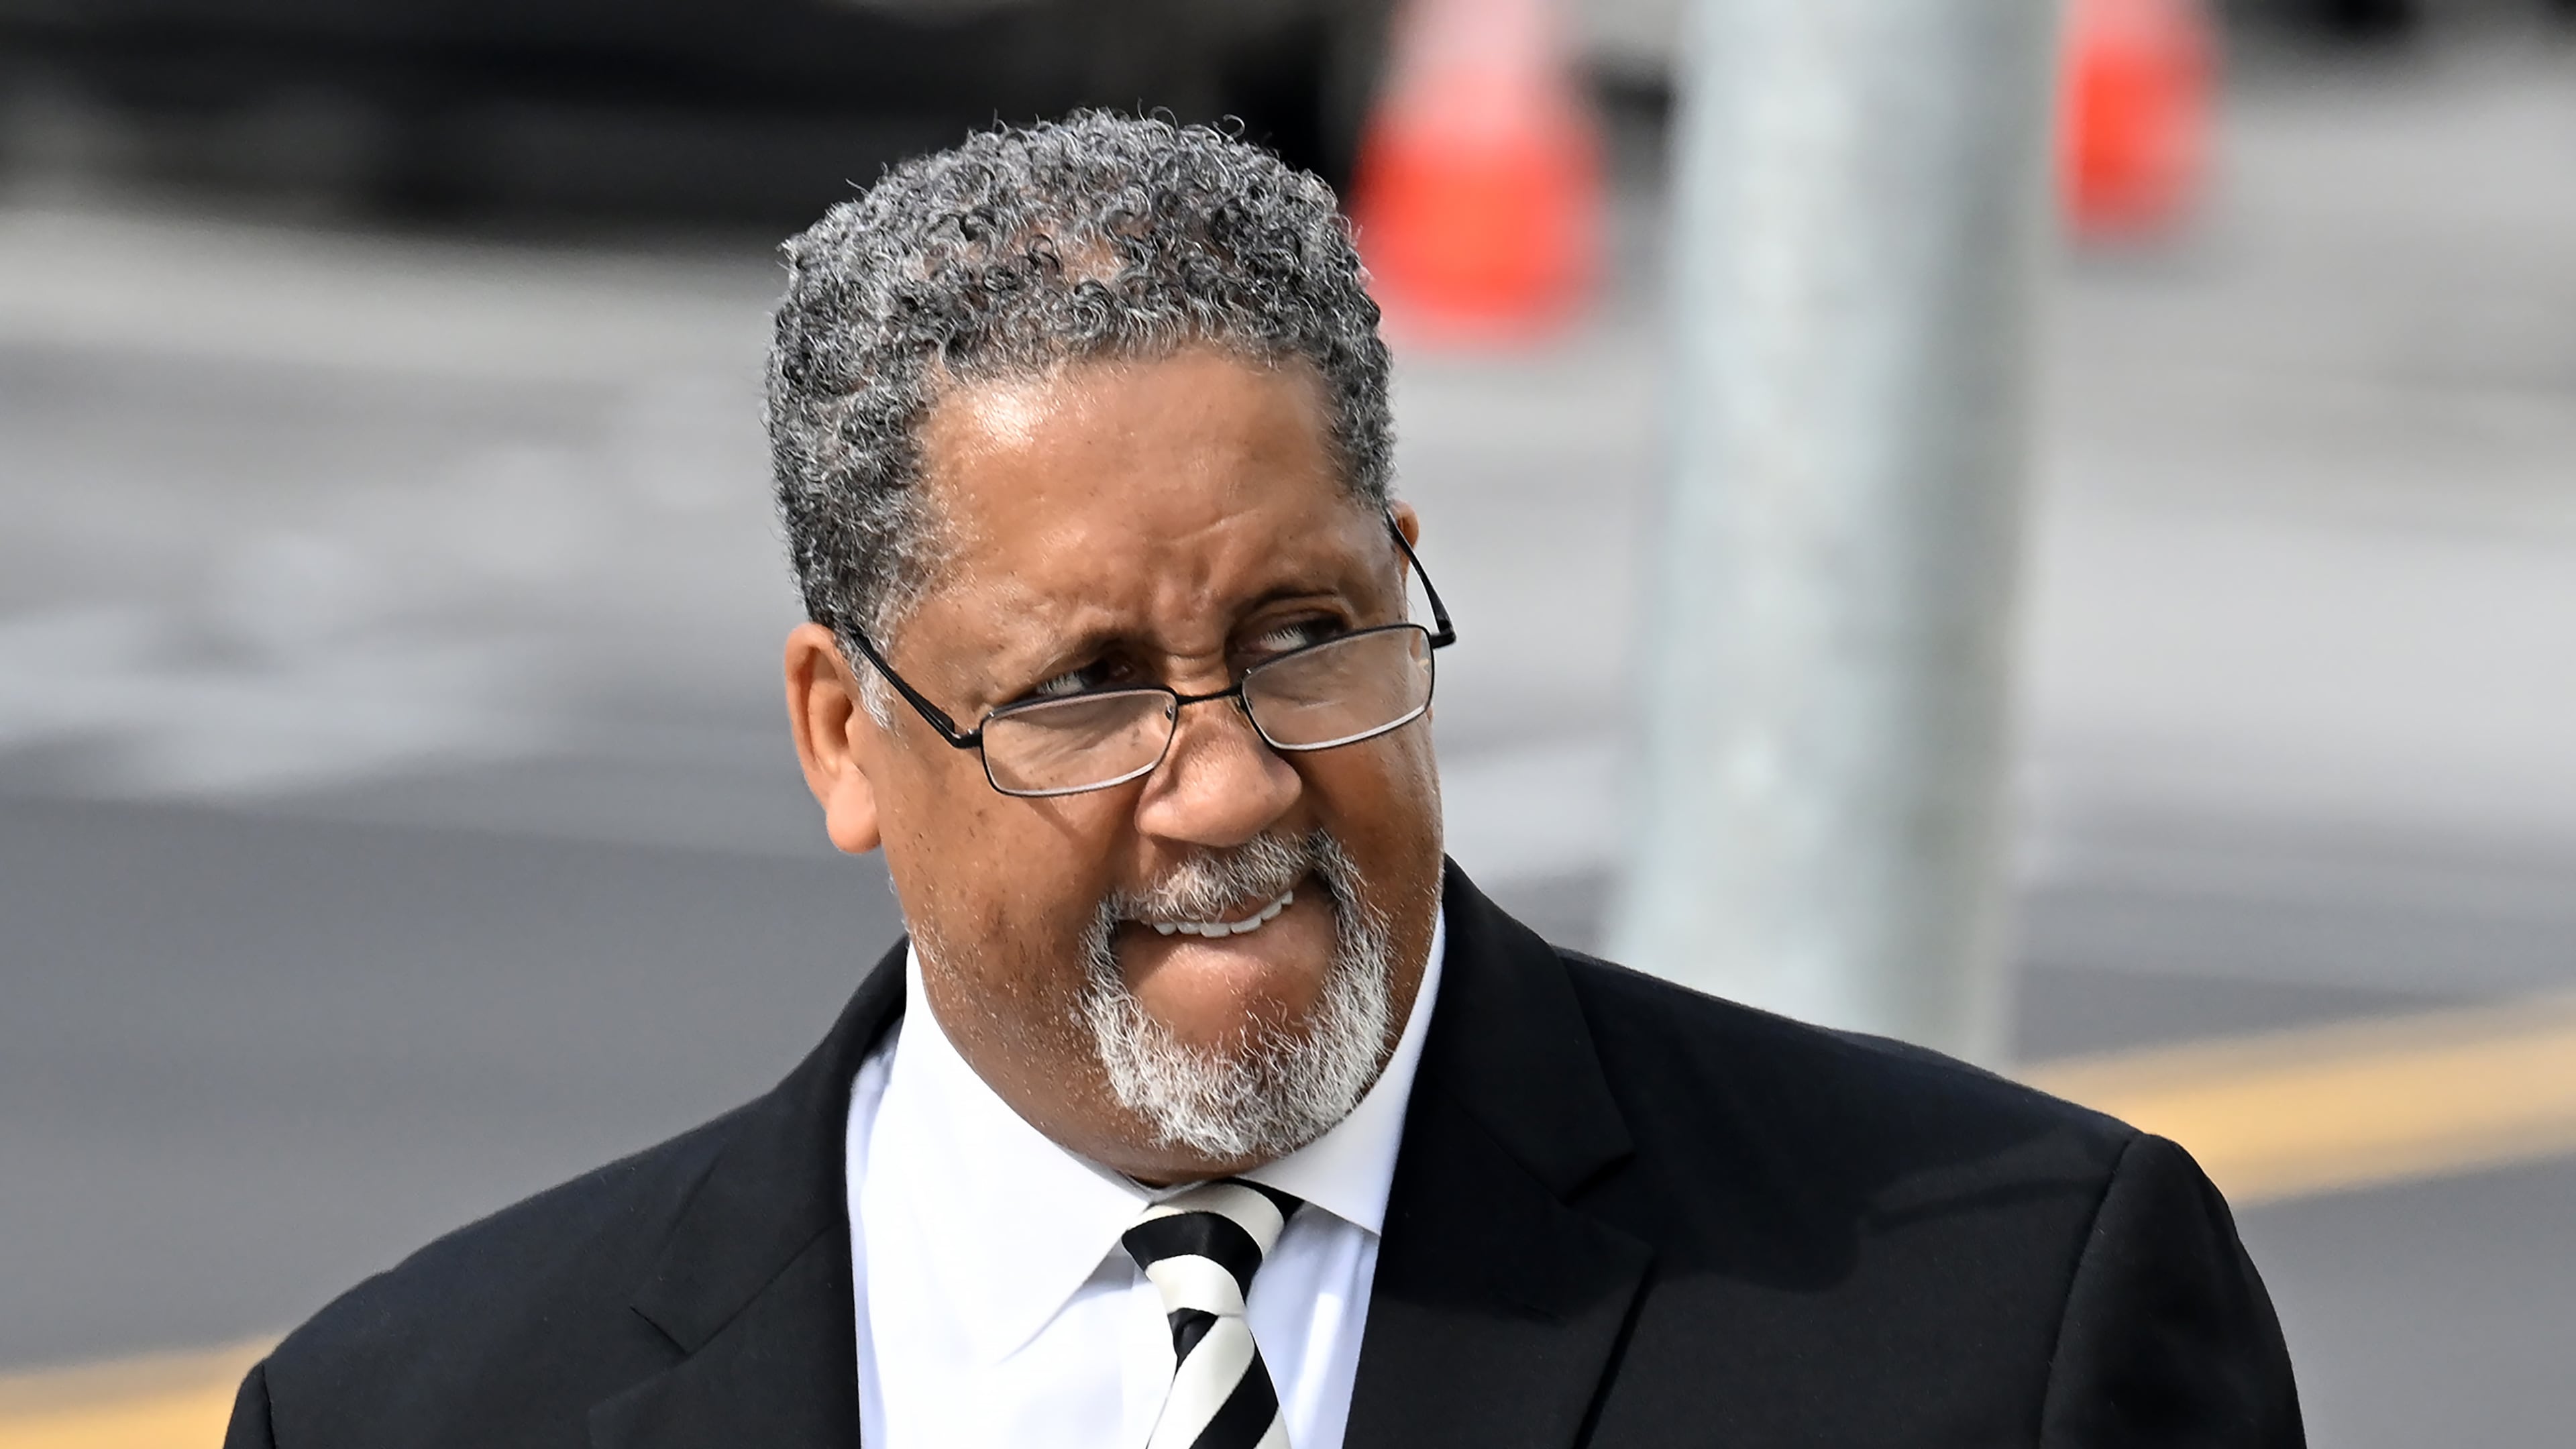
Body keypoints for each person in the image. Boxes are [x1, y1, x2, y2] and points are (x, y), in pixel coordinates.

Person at [223, 112, 2302, 1448]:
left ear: (1408, 580)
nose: (1226, 789)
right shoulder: (422, 1413)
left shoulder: (2000, 1320)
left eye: (1307, 641)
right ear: (845, 739)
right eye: (1087, 689)